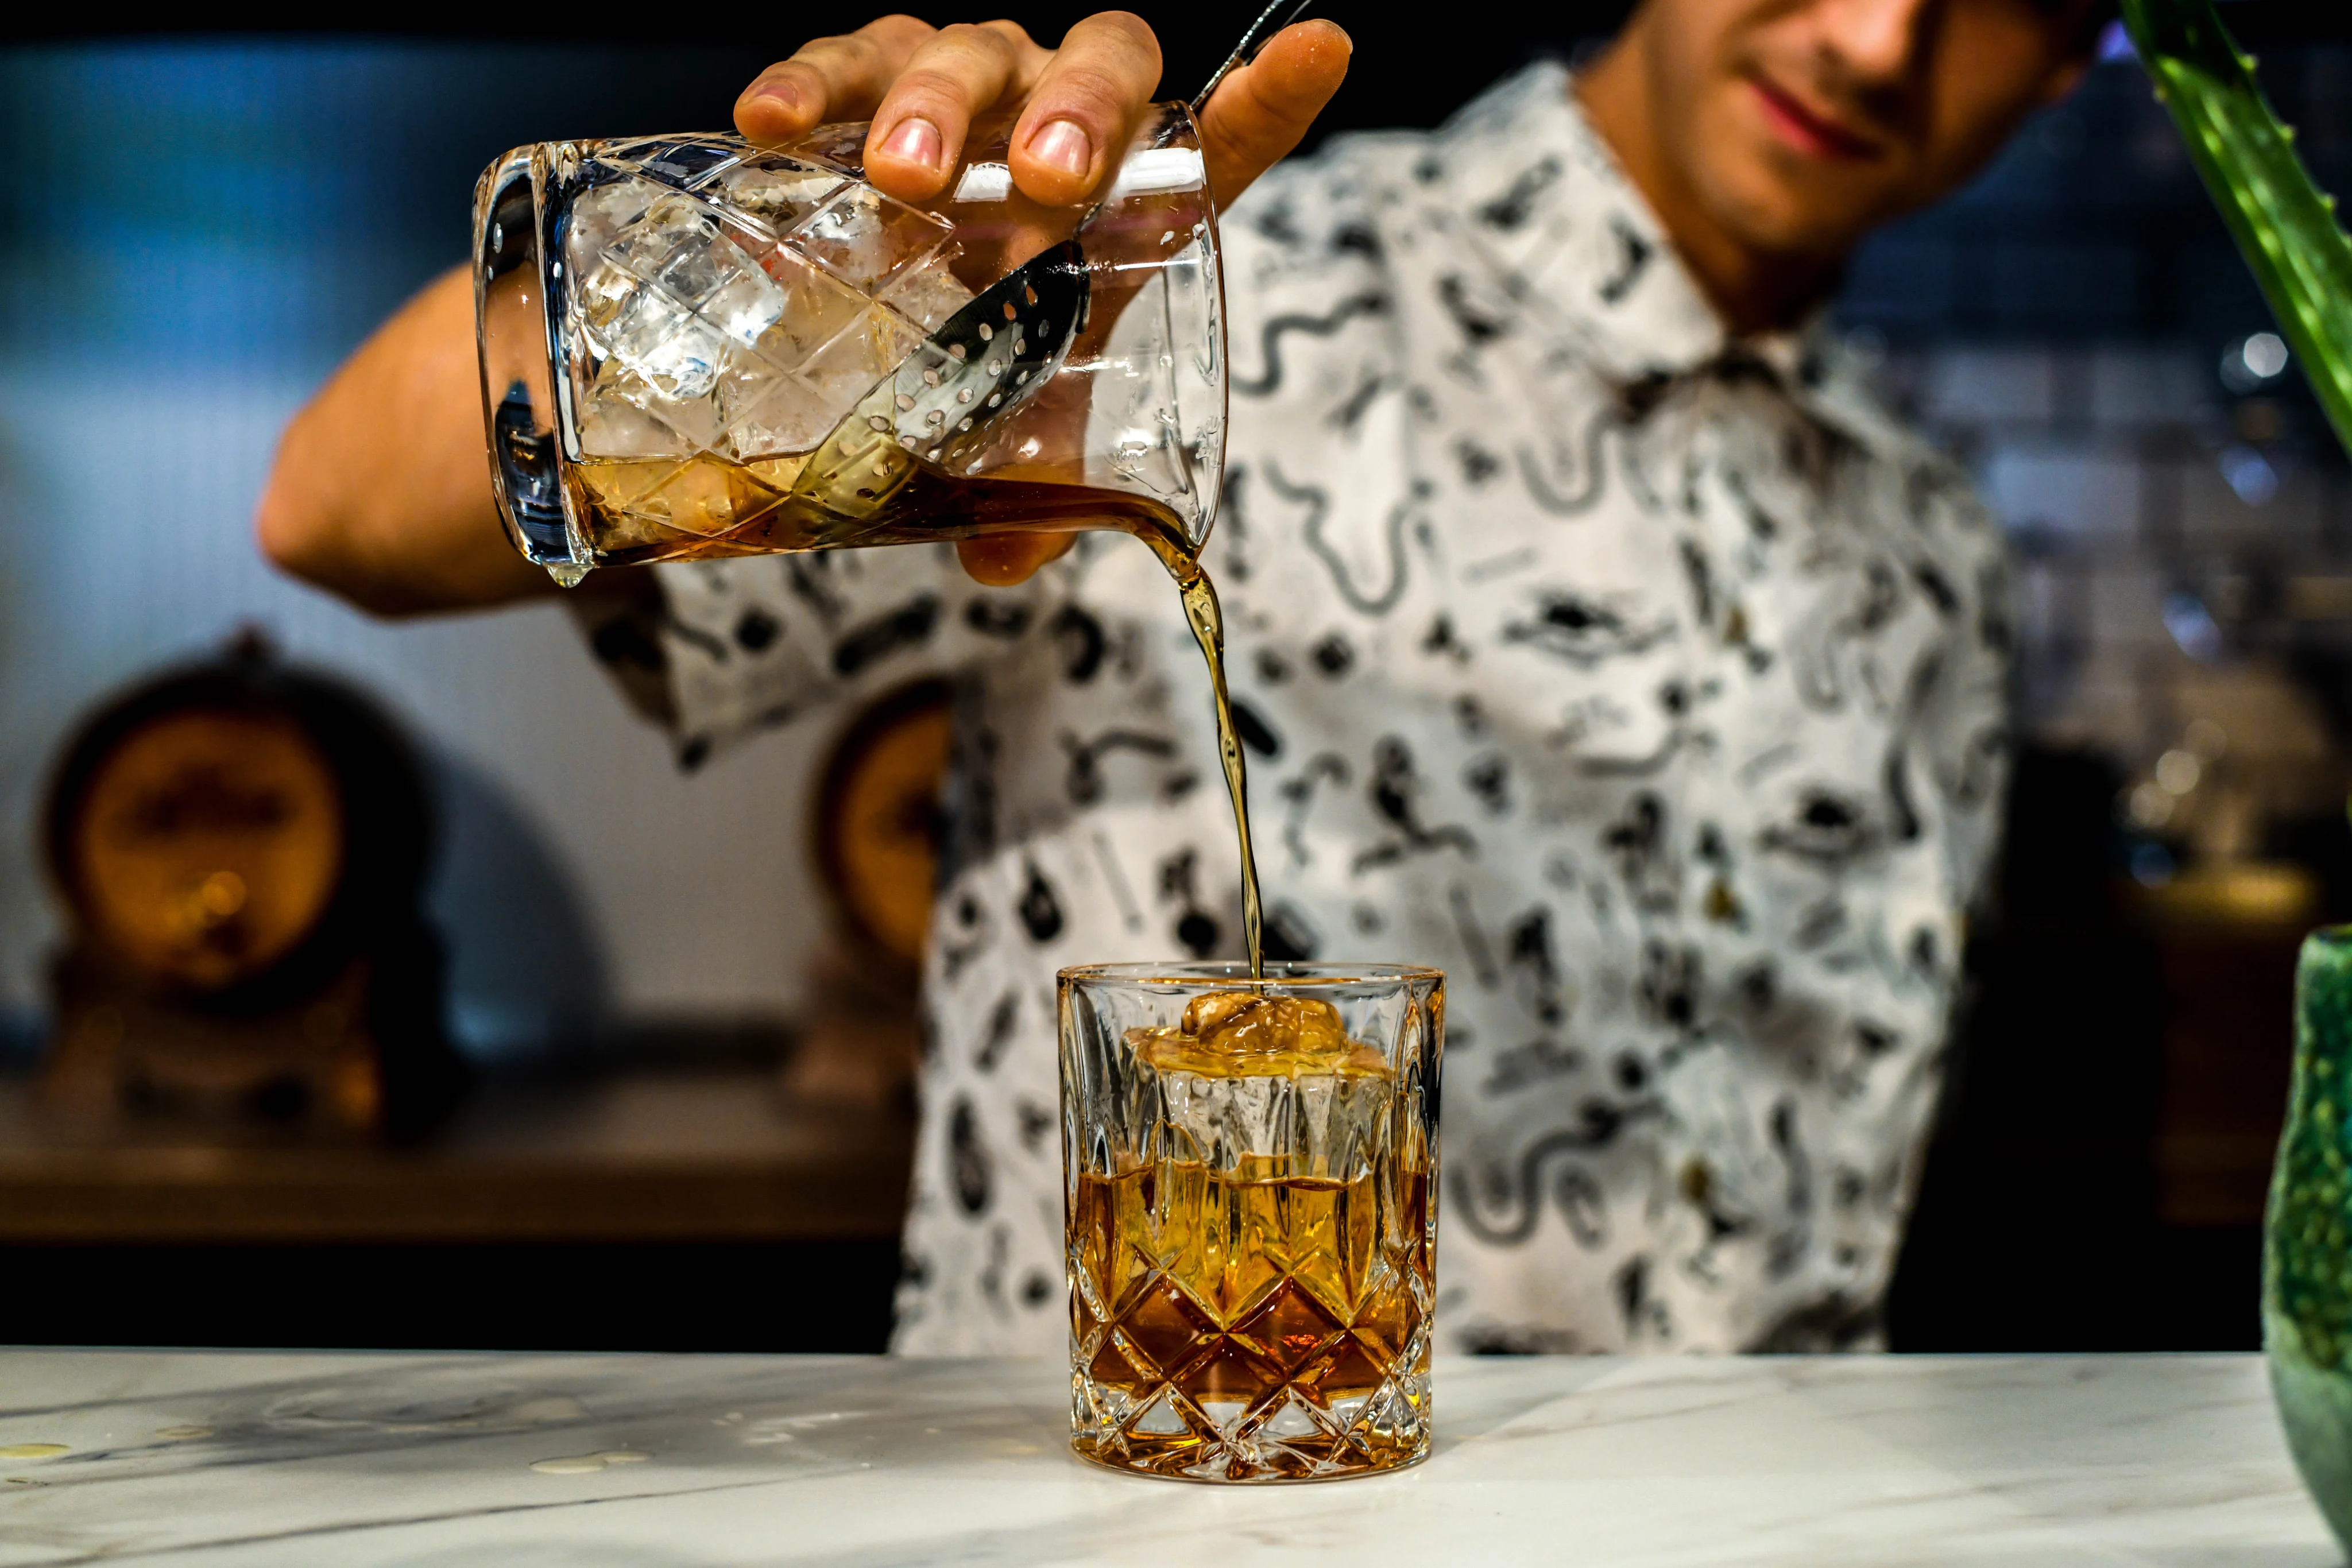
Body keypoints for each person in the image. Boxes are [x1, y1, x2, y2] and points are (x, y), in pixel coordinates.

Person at [260, 0, 2108, 1353]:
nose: (1877, 39)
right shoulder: (1165, 295)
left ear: (2076, 60)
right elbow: (340, 513)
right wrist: (812, 298)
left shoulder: (1932, 546)